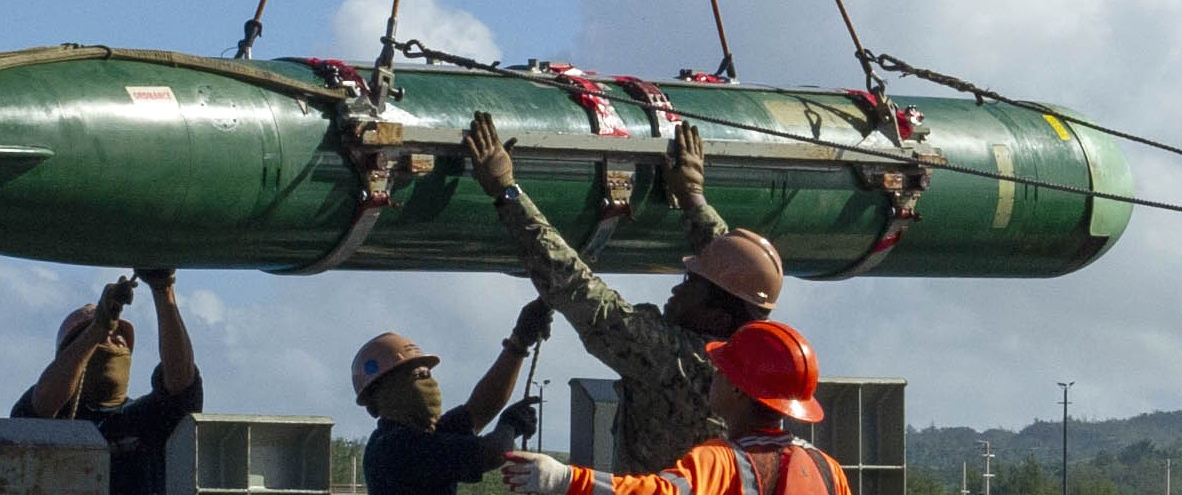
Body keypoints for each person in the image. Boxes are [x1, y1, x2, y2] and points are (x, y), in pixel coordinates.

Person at [465, 112, 787, 474]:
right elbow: (732, 279)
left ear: (715, 318)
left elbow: (574, 285)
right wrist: (694, 198)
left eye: (689, 285)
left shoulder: (669, 357)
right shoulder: (754, 359)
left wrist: (507, 192)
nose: (676, 289)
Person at [500, 320, 850, 495]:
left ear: (741, 390)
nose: (714, 375)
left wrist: (564, 479)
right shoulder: (828, 469)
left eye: (723, 371)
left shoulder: (720, 461)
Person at [11, 268, 199, 495]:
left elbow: (180, 379)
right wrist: (97, 329)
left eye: (118, 334)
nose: (111, 336)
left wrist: (163, 289)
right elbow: (43, 401)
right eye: (88, 337)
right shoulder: (58, 422)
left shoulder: (149, 418)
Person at [352, 300, 553, 494]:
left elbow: (480, 409)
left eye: (427, 374)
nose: (428, 382)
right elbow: (493, 453)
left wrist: (518, 343)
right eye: (417, 376)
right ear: (379, 399)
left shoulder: (427, 435)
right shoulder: (396, 449)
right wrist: (510, 424)